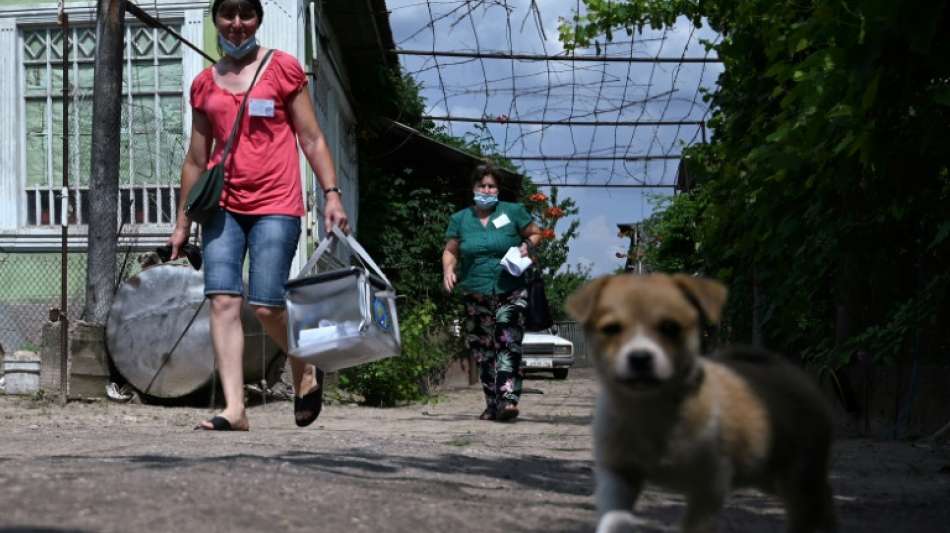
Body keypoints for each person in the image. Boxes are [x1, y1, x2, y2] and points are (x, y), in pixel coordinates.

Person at [167, 0, 348, 431]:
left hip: (276, 204)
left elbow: (312, 137)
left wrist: (332, 195)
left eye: (245, 14)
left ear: (258, 20)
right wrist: (182, 222)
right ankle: (235, 408)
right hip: (222, 208)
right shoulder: (204, 85)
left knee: (267, 305)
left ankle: (304, 365)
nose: (235, 24)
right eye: (227, 15)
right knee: (223, 301)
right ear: (216, 21)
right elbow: (196, 160)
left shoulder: (283, 69)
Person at [442, 164, 542, 422]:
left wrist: (526, 245)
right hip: (476, 290)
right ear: (474, 189)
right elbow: (451, 250)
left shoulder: (512, 212)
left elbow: (535, 233)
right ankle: (492, 403)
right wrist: (448, 271)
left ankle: (508, 400)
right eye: (482, 186)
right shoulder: (461, 219)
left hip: (510, 287)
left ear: (497, 189)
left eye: (492, 186)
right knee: (484, 350)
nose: (487, 190)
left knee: (507, 342)